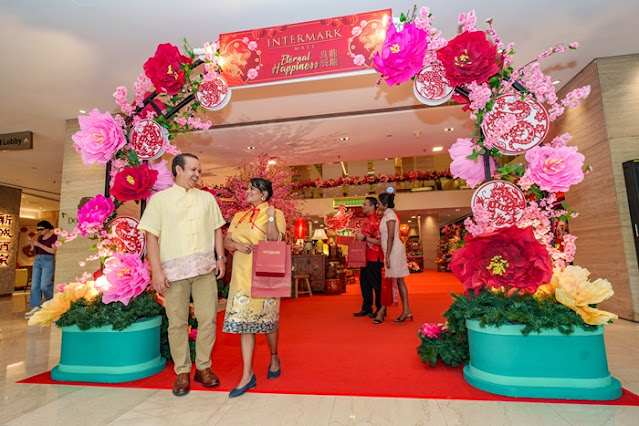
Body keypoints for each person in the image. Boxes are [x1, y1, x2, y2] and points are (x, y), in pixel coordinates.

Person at [138, 153, 227, 397]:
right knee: (177, 323)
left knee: (208, 319)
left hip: (204, 270)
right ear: (178, 170)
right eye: (193, 169)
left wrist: (221, 258)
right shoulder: (160, 200)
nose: (197, 174)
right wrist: (156, 270)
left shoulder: (207, 199)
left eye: (199, 170)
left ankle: (204, 367)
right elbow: (151, 237)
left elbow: (217, 229)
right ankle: (182, 371)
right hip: (173, 273)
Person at [223, 178, 286, 398]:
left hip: (265, 274)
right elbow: (227, 241)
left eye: (252, 189)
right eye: (248, 188)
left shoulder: (275, 213)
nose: (247, 191)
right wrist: (238, 245)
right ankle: (247, 374)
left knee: (268, 322)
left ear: (264, 194)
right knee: (245, 324)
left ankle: (274, 355)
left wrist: (269, 215)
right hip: (241, 275)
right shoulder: (239, 216)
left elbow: (273, 239)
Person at [375, 192, 412, 324]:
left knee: (395, 281)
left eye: (379, 203)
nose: (377, 205)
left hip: (394, 251)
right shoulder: (386, 215)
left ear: (385, 205)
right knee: (398, 281)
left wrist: (388, 255)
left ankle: (387, 310)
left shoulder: (390, 215)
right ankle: (406, 310)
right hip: (390, 251)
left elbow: (390, 236)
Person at [353, 197, 384, 318]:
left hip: (375, 257)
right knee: (364, 284)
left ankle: (380, 310)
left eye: (365, 204)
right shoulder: (366, 221)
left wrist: (364, 238)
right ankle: (366, 308)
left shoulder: (378, 221)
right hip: (364, 257)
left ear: (372, 206)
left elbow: (381, 241)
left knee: (377, 285)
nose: (362, 206)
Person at [24, 221, 57, 318]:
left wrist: (40, 245)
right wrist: (33, 246)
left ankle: (51, 305)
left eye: (41, 229)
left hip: (48, 260)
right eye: (38, 229)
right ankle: (36, 306)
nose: (39, 231)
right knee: (34, 285)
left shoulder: (53, 237)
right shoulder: (40, 238)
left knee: (45, 285)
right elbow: (36, 251)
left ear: (47, 229)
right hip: (37, 260)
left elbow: (53, 251)